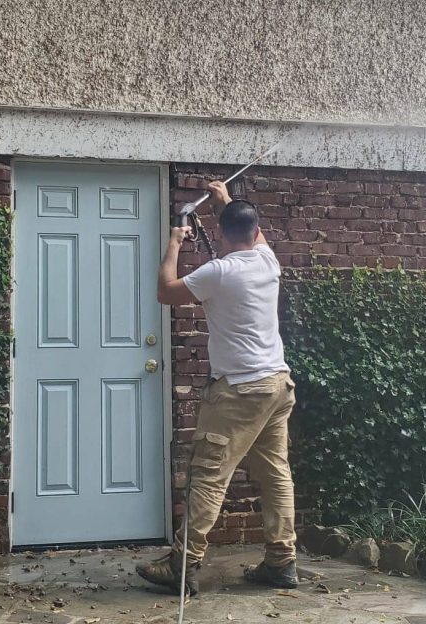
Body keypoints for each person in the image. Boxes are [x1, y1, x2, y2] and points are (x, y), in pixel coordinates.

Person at [135, 180, 298, 596]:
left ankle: (182, 566)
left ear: (223, 233)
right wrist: (225, 199)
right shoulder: (267, 260)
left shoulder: (219, 272)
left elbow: (164, 292)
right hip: (277, 386)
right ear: (255, 230)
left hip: (238, 392)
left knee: (208, 475)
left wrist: (174, 242)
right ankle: (282, 561)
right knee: (275, 474)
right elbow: (247, 228)